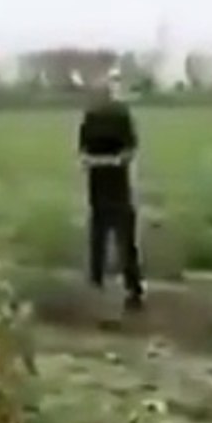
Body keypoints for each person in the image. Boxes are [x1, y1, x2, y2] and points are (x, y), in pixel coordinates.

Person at [77, 68, 144, 312]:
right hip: (98, 189)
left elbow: (131, 149)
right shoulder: (90, 118)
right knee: (98, 237)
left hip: (118, 188)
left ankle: (133, 288)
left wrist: (109, 161)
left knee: (125, 240)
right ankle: (96, 285)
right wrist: (103, 161)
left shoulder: (121, 115)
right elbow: (82, 152)